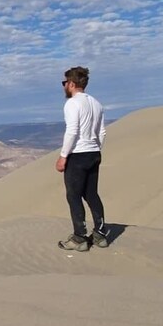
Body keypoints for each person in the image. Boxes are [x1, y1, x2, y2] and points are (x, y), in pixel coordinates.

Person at [55, 66, 109, 251]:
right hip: (94, 153)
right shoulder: (96, 103)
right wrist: (95, 148)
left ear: (71, 83)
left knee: (74, 196)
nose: (64, 87)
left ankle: (79, 238)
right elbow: (101, 132)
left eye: (64, 83)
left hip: (77, 155)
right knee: (92, 194)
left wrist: (63, 156)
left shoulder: (72, 103)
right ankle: (100, 235)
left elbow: (72, 131)